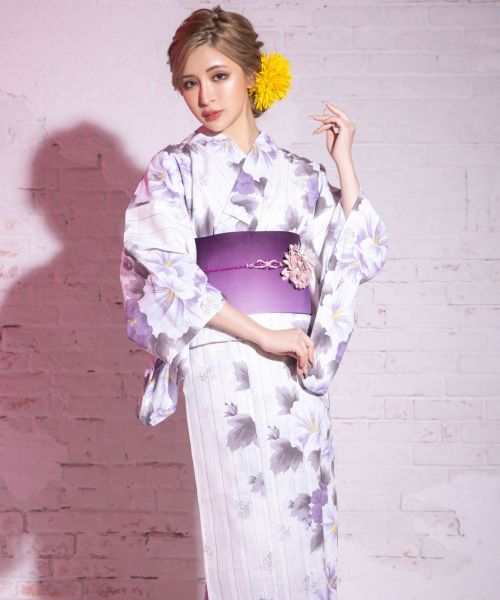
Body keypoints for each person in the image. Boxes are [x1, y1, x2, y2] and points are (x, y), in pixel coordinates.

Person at [119, 5, 388, 599]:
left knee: (305, 527)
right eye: (190, 83)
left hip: (295, 366)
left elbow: (357, 253)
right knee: (244, 530)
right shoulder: (174, 169)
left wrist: (344, 163)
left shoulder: (300, 174)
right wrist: (262, 334)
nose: (205, 97)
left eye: (218, 76)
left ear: (251, 74)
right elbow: (168, 271)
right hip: (224, 356)